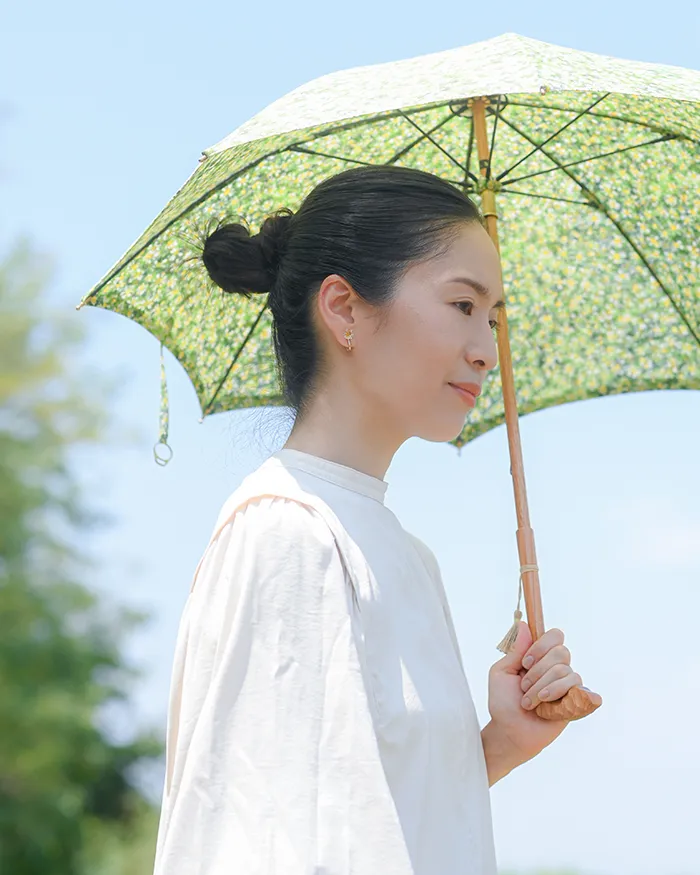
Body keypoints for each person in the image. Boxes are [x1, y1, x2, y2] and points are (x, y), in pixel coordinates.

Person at [152, 166, 584, 875]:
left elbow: (373, 814)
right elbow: (256, 839)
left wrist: (502, 743)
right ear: (345, 308)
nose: (486, 348)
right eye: (462, 304)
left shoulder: (408, 557)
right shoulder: (286, 532)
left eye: (495, 316)